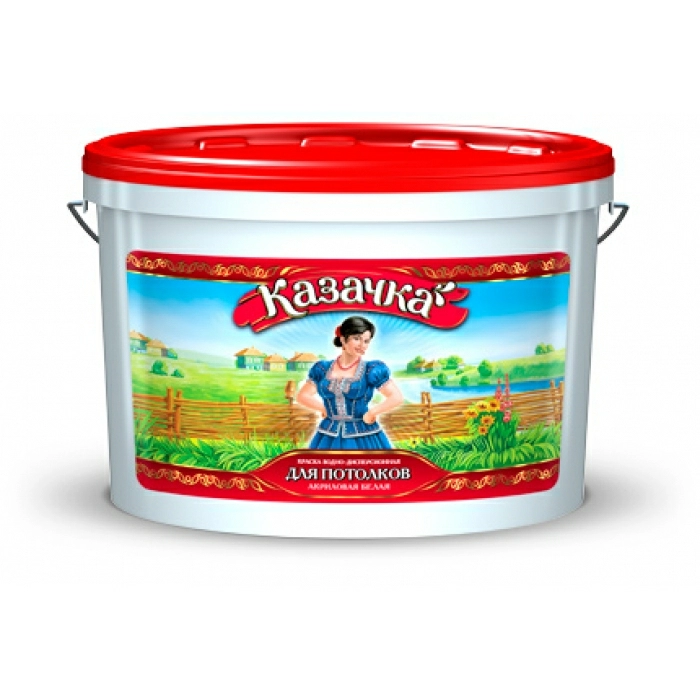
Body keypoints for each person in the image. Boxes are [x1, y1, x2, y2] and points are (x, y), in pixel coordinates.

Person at [295, 316, 403, 449]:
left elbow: (396, 397)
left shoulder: (371, 369)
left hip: (363, 434)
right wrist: (322, 408)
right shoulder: (322, 369)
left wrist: (372, 412)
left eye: (366, 341)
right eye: (357, 339)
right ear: (343, 339)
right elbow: (303, 396)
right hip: (328, 433)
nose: (362, 345)